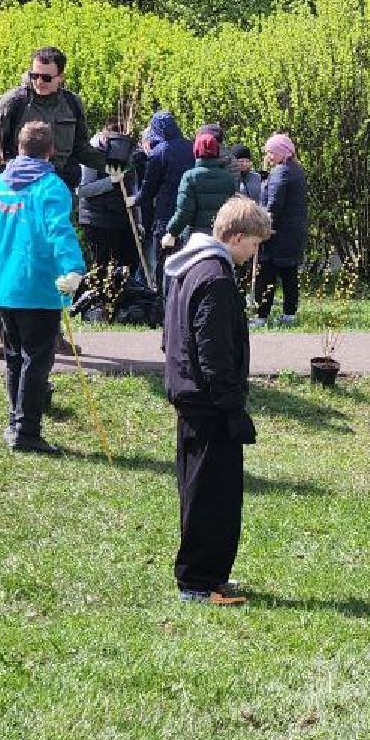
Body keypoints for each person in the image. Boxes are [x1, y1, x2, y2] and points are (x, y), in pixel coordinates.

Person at [162, 196, 273, 606]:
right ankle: (199, 581)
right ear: (237, 236)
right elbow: (214, 351)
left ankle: (205, 575)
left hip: (190, 395)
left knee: (199, 489)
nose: (254, 255)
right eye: (254, 245)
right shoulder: (216, 277)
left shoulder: (188, 266)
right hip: (209, 403)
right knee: (213, 494)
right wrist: (232, 408)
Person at [0, 121, 86, 455]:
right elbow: (59, 231)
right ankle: (26, 431)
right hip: (37, 287)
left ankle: (14, 423)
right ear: (51, 151)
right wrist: (73, 269)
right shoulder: (51, 187)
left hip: (3, 286)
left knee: (14, 358)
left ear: (17, 149)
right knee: (37, 360)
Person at [0, 47, 100, 185]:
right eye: (34, 76)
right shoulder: (13, 103)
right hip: (20, 187)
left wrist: (109, 162)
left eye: (46, 78)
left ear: (61, 77)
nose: (39, 82)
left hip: (60, 187)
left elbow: (81, 148)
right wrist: (1, 181)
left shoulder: (72, 104)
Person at [76, 122, 143, 280]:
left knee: (129, 265)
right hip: (96, 219)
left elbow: (133, 188)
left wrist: (138, 221)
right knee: (102, 268)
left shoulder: (128, 153)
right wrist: (111, 181)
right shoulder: (93, 153)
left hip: (122, 218)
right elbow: (82, 190)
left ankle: (124, 302)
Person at [254, 133, 309, 327]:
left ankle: (261, 317)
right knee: (289, 275)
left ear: (280, 153)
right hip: (293, 233)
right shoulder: (296, 169)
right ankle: (289, 315)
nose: (268, 156)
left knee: (267, 275)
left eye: (270, 152)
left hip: (277, 234)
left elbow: (274, 205)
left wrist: (262, 228)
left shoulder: (281, 172)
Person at [138, 110, 194, 278]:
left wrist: (137, 200)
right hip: (188, 211)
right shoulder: (190, 147)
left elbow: (149, 186)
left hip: (166, 213)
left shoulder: (159, 151)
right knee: (185, 262)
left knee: (163, 261)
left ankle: (163, 300)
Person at [163, 128, 238, 249]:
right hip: (222, 236)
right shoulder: (229, 178)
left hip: (196, 237)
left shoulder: (190, 177)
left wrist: (172, 232)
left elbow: (184, 212)